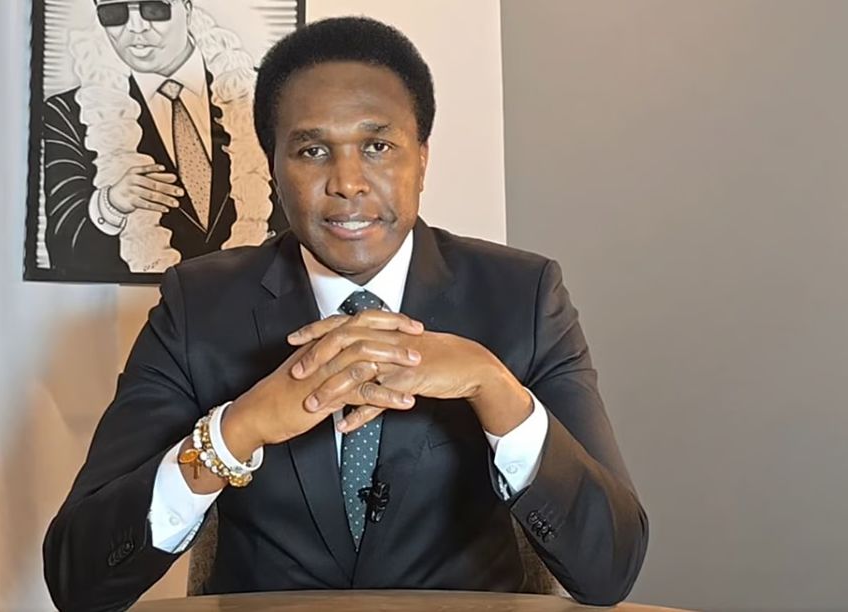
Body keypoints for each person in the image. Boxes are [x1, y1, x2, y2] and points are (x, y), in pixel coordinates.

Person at [43, 16, 648, 611]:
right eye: (312, 151)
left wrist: (494, 388)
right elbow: (79, 578)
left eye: (377, 146)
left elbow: (610, 568)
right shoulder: (197, 306)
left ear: (422, 158)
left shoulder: (523, 296)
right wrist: (236, 432)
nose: (348, 183)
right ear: (273, 166)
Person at [41, 0, 287, 279]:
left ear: (187, 8)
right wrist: (110, 204)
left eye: (154, 9)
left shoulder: (260, 96)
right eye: (114, 13)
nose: (136, 28)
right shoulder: (72, 114)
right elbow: (63, 248)